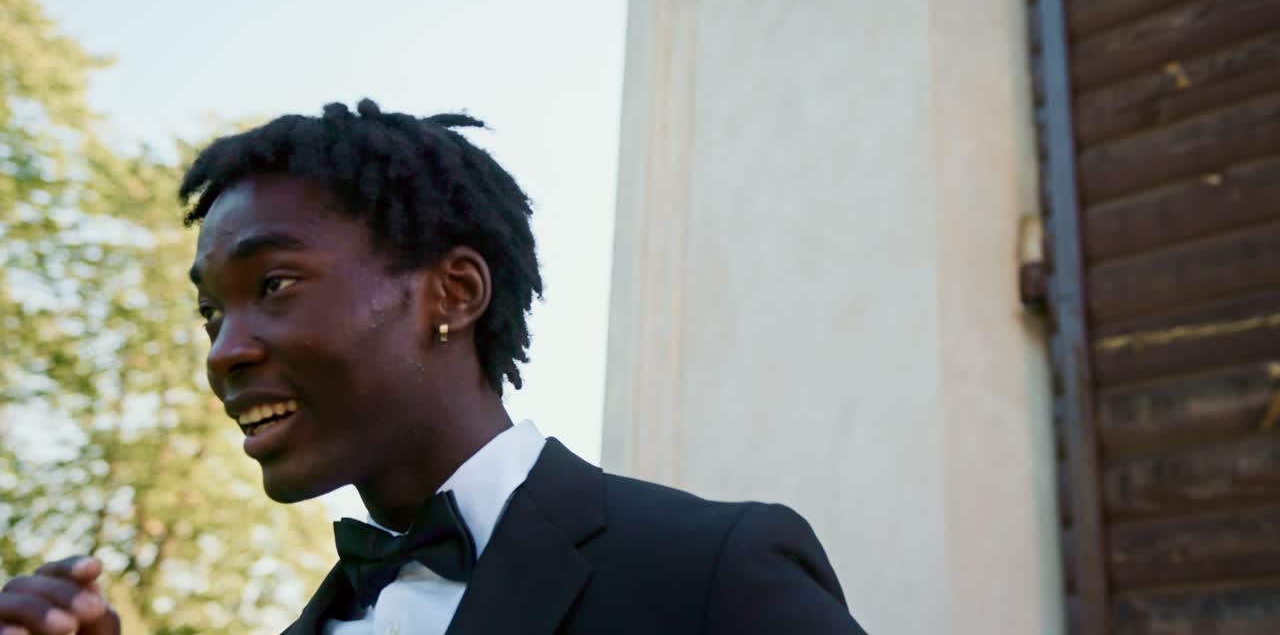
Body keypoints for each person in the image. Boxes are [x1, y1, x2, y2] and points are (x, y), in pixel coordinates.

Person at [0, 100, 867, 634]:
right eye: (210, 313)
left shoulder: (711, 570)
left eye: (274, 284)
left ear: (452, 292)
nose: (224, 350)